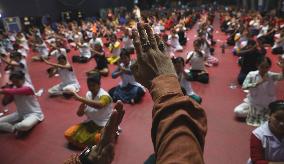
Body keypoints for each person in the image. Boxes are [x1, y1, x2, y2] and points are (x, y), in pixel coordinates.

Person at [64, 73, 114, 149]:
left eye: (93, 85)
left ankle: (91, 144)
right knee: (68, 134)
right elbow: (79, 114)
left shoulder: (105, 96)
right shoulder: (88, 94)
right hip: (90, 123)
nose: (91, 88)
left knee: (100, 138)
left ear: (99, 85)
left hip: (104, 124)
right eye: (89, 86)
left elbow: (99, 105)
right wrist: (82, 105)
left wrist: (80, 98)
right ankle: (90, 146)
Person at [234, 57, 284, 127]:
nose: (264, 69)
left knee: (280, 115)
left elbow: (282, 77)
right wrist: (258, 83)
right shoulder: (251, 74)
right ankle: (261, 115)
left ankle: (260, 114)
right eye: (262, 67)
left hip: (268, 106)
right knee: (238, 111)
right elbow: (244, 87)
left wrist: (283, 67)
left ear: (269, 67)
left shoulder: (272, 76)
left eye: (266, 67)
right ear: (257, 66)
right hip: (253, 103)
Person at [0, 70, 44, 135]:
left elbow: (19, 91)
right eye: (13, 82)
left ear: (23, 79)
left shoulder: (28, 87)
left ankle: (16, 128)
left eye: (17, 81)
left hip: (34, 114)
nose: (15, 84)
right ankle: (14, 129)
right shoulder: (13, 88)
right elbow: (4, 103)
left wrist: (6, 90)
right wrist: (7, 93)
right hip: (20, 113)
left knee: (24, 125)